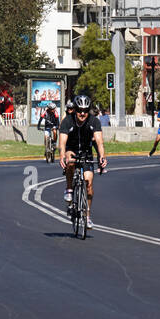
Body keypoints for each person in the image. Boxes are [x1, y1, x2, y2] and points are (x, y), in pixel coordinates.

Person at [59, 94, 108, 229]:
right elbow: (62, 142)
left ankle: (87, 216)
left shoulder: (94, 121)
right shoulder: (67, 121)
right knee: (70, 161)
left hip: (86, 153)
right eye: (79, 110)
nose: (82, 113)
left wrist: (102, 157)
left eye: (85, 110)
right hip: (71, 149)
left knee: (89, 184)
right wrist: (62, 155)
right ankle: (69, 189)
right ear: (75, 109)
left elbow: (99, 142)